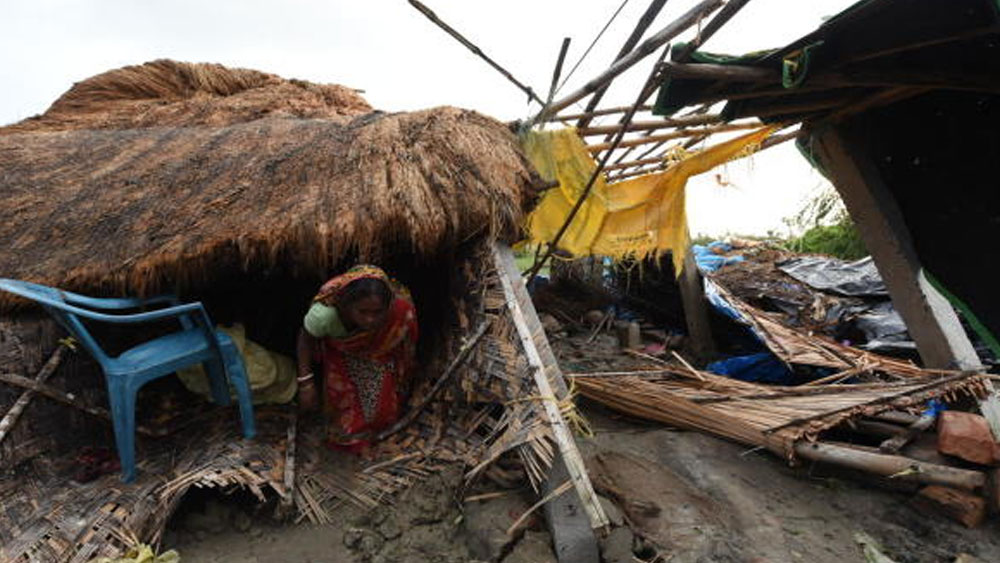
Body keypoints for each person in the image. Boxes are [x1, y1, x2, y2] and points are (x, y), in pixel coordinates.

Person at [296, 265, 418, 452]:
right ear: (347, 306)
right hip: (340, 355)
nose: (370, 320)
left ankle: (377, 436)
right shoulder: (325, 315)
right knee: (343, 403)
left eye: (377, 312)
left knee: (382, 406)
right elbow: (305, 339)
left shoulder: (397, 309)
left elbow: (404, 343)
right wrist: (306, 383)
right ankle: (347, 441)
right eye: (363, 312)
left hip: (379, 355)